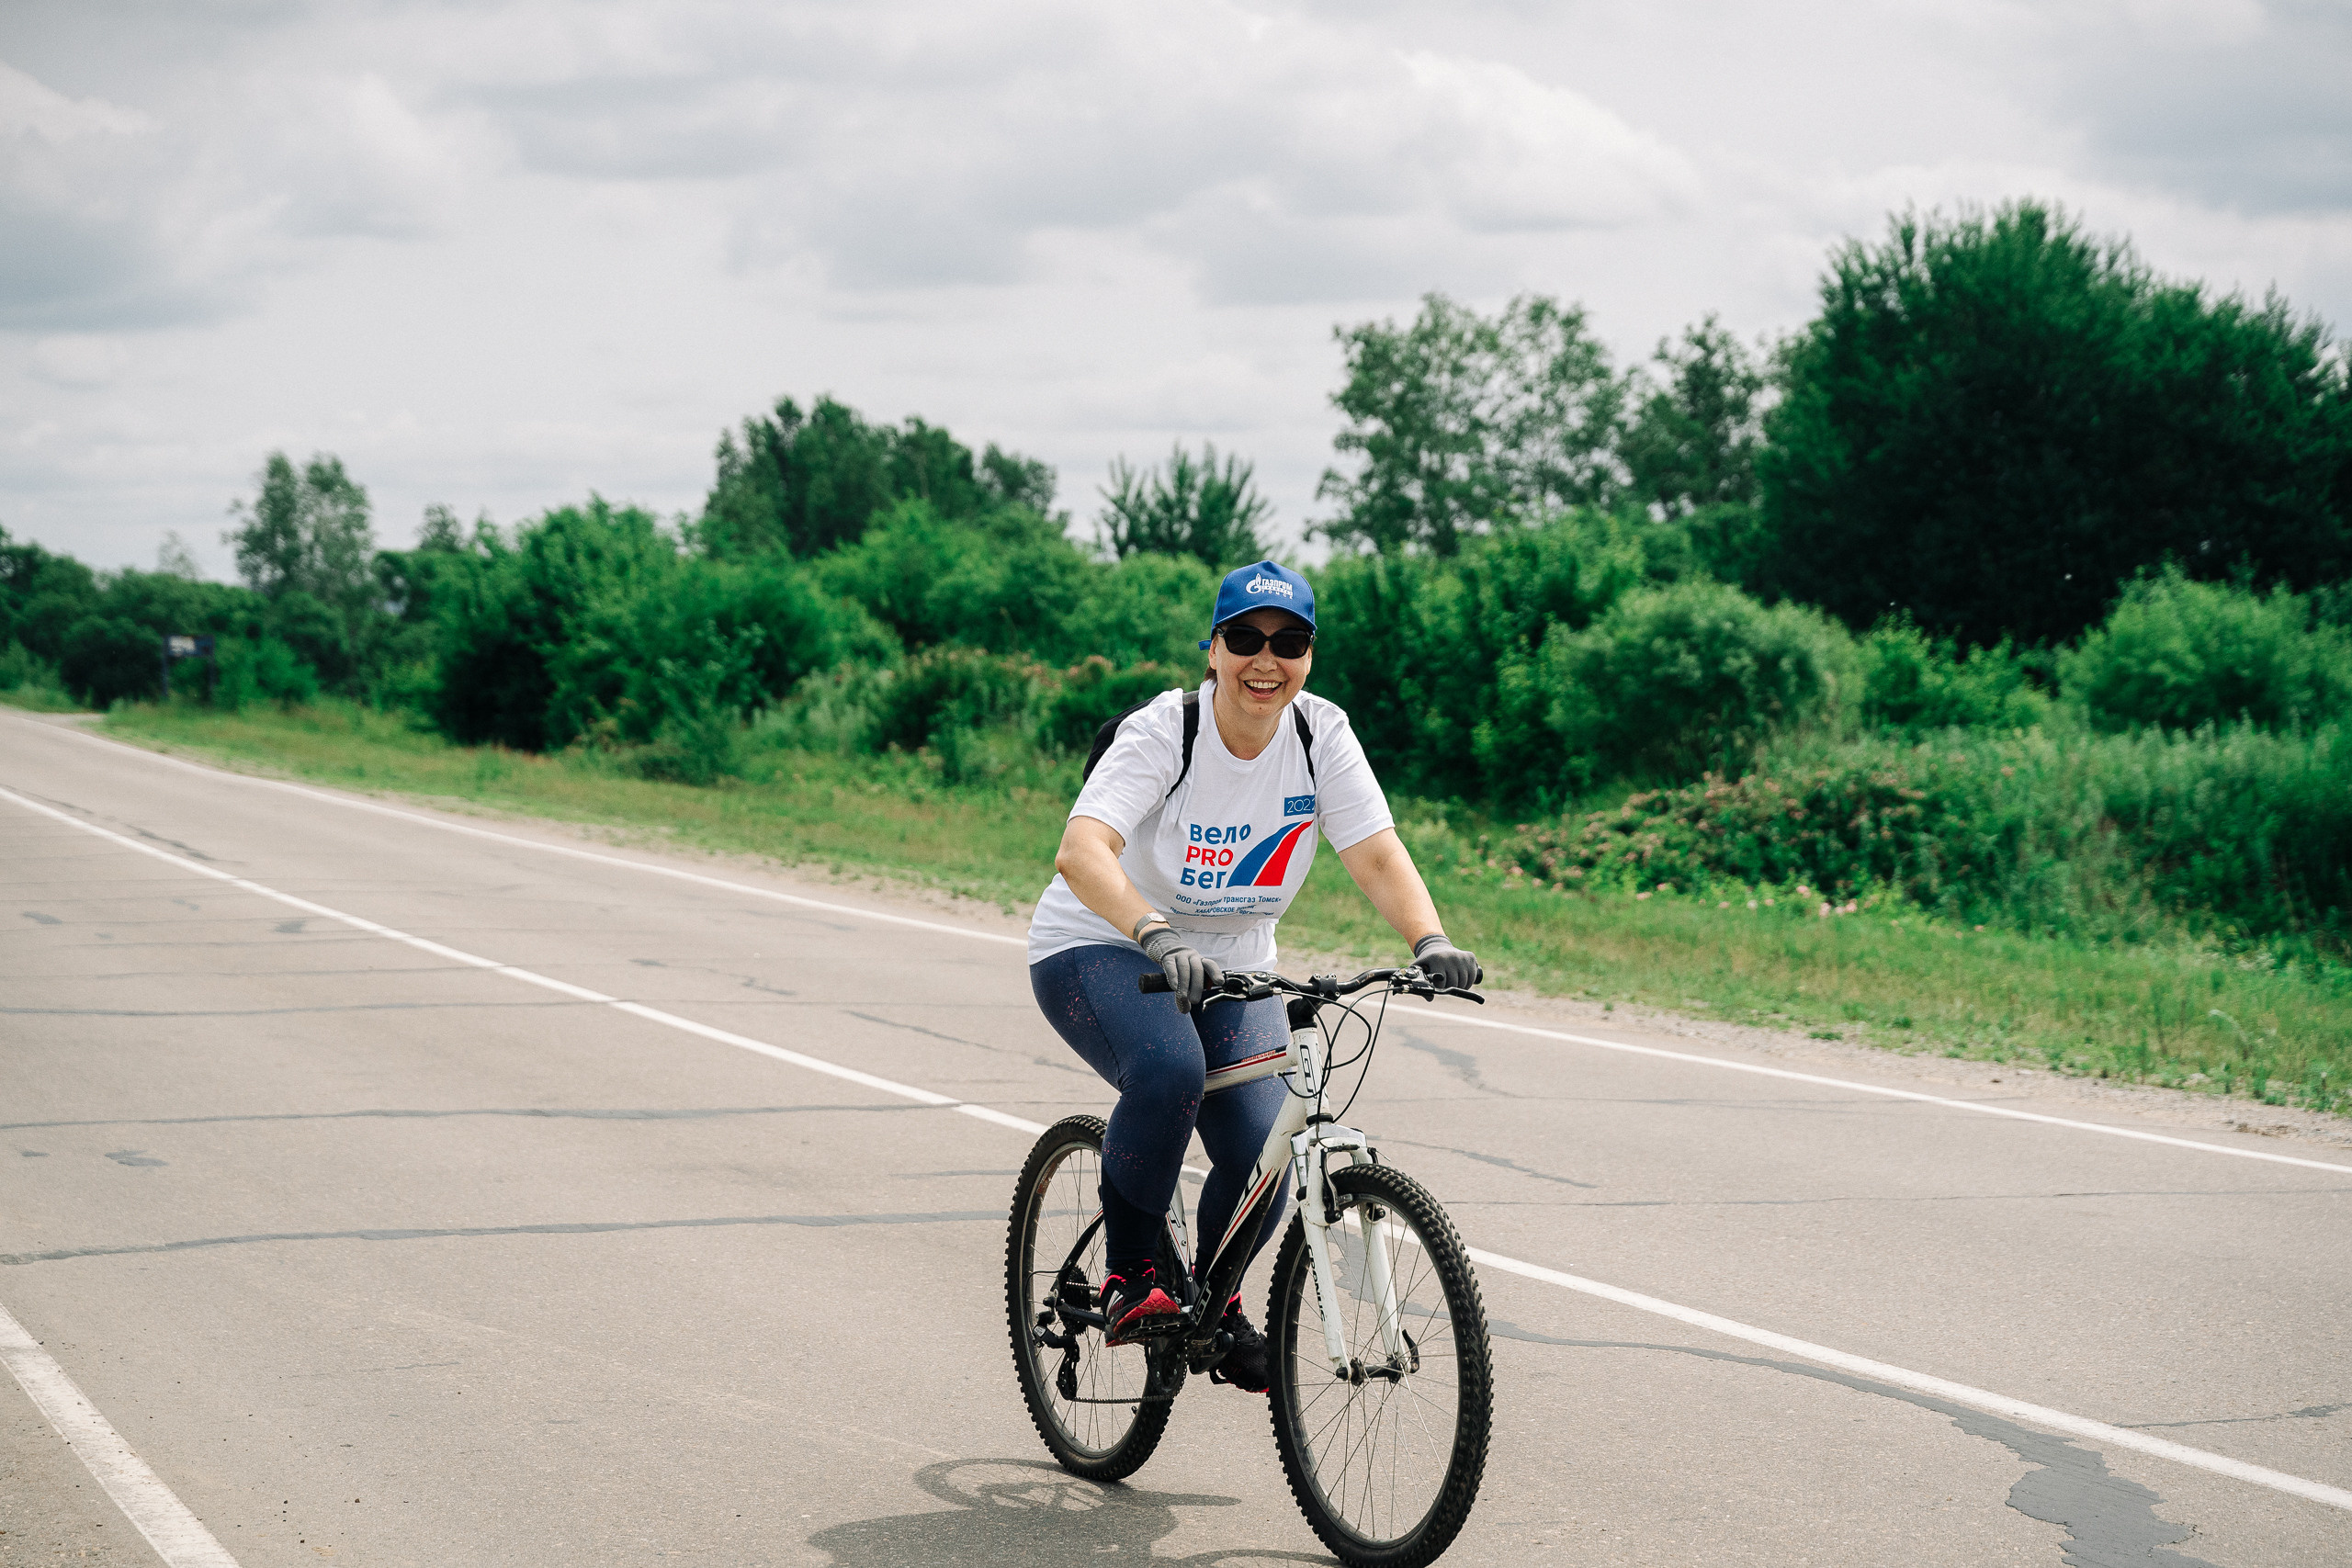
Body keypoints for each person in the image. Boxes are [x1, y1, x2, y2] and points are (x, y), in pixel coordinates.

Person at [1025, 559, 1482, 1393]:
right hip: (1104, 941)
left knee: (1265, 1151)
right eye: (1245, 638)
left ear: (1309, 656)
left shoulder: (1320, 735)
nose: (1265, 659)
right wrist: (1156, 933)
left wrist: (1430, 937)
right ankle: (1133, 1274)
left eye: (1290, 642)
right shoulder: (1171, 730)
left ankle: (1214, 1300)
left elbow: (1375, 852)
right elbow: (1081, 850)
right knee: (1169, 1071)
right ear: (1213, 649)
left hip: (1233, 963)